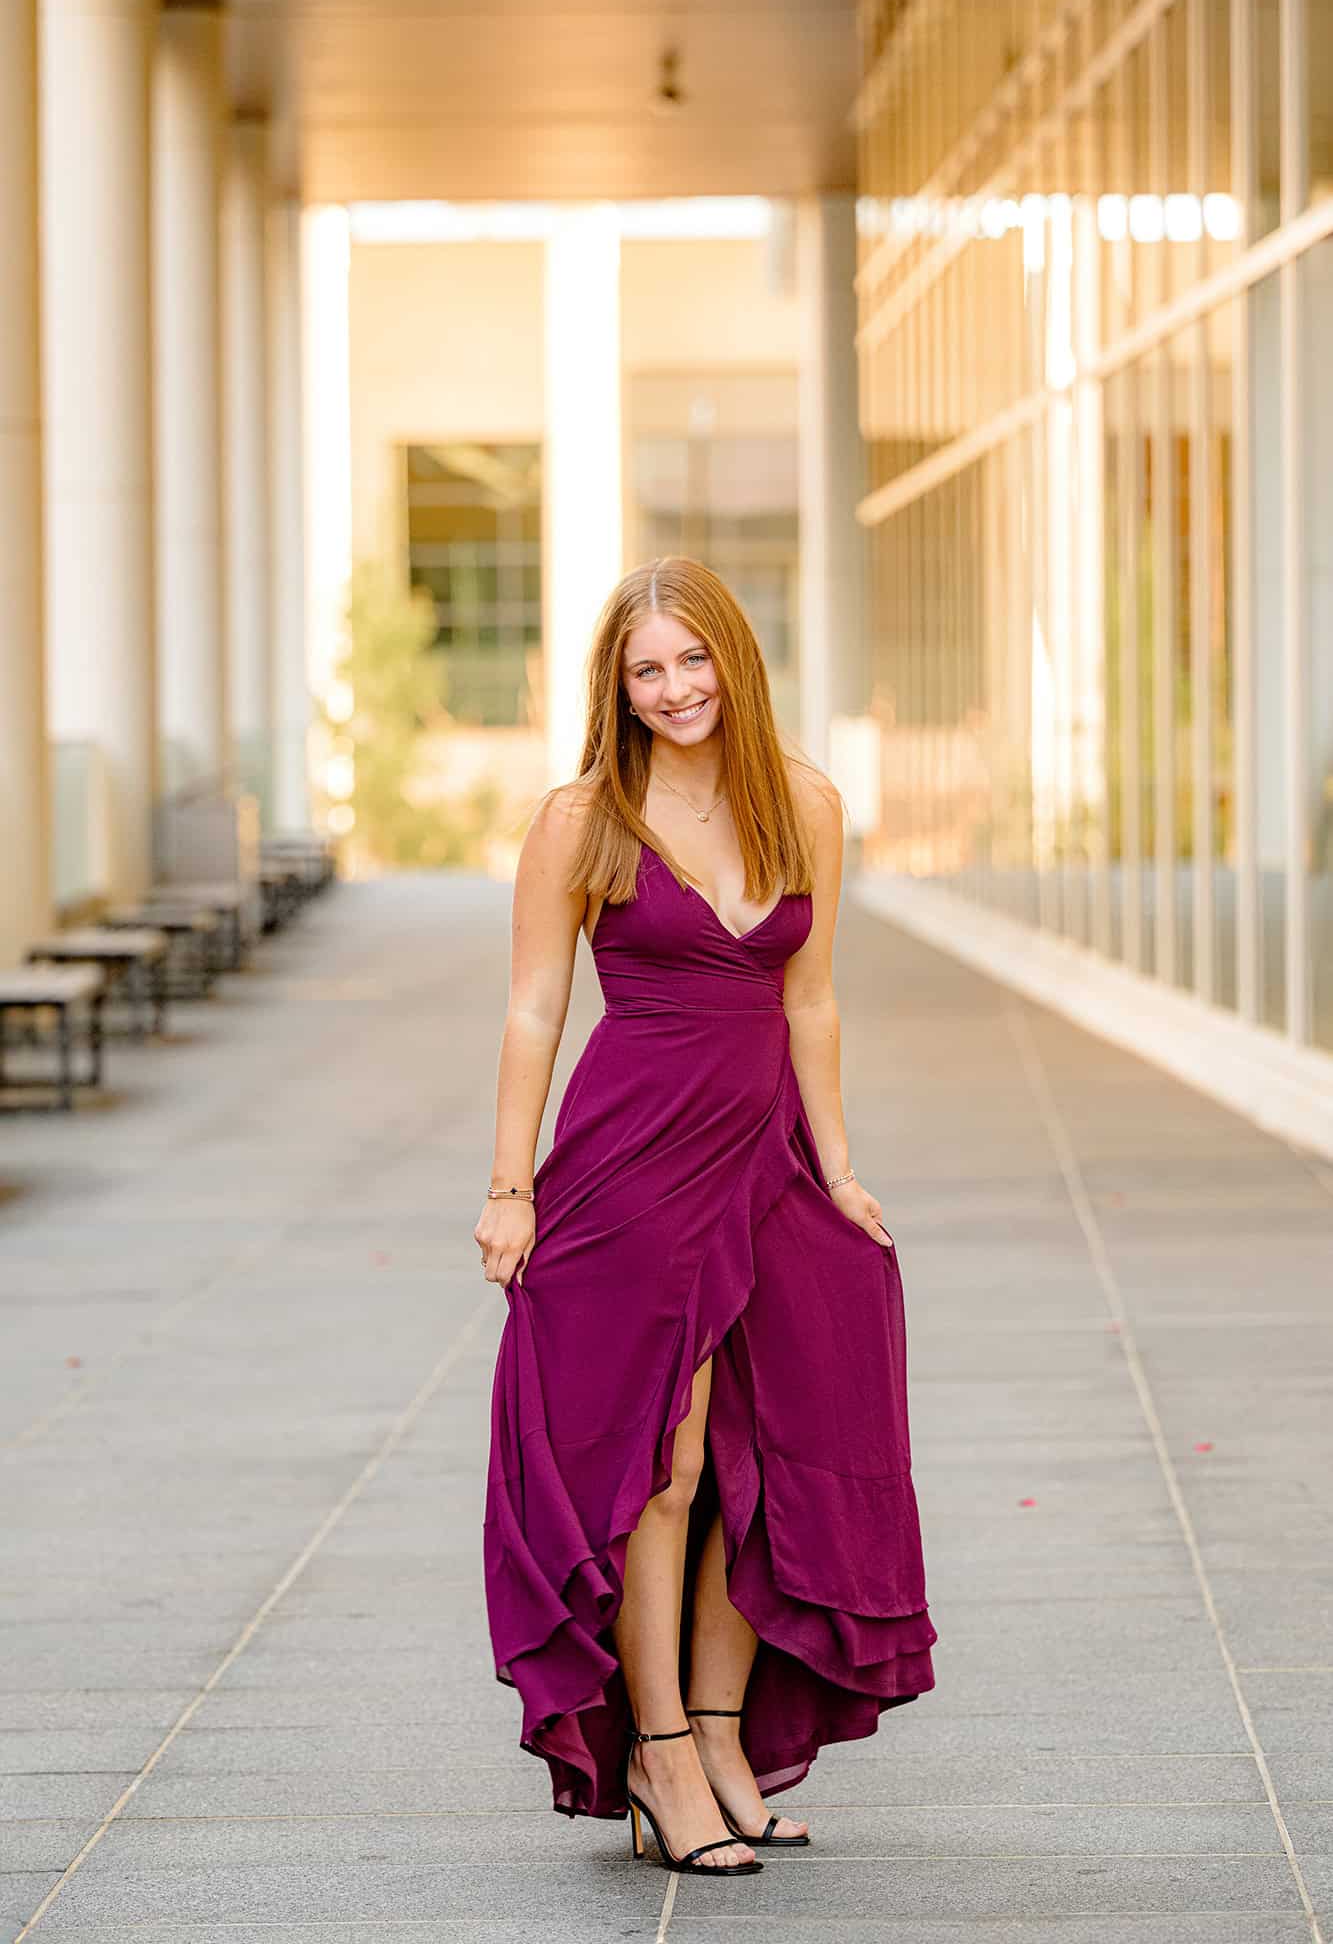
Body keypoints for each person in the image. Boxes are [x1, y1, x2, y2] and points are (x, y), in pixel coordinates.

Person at [478, 556, 936, 1879]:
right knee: (663, 1464)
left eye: (692, 660)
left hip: (772, 1160)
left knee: (767, 1451)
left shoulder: (805, 801)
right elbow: (529, 1009)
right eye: (644, 670)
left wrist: (839, 1167)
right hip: (633, 1166)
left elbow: (812, 998)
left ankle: (727, 1730)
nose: (673, 689)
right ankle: (660, 1752)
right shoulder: (583, 817)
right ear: (614, 690)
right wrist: (508, 1188)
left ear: (734, 659)